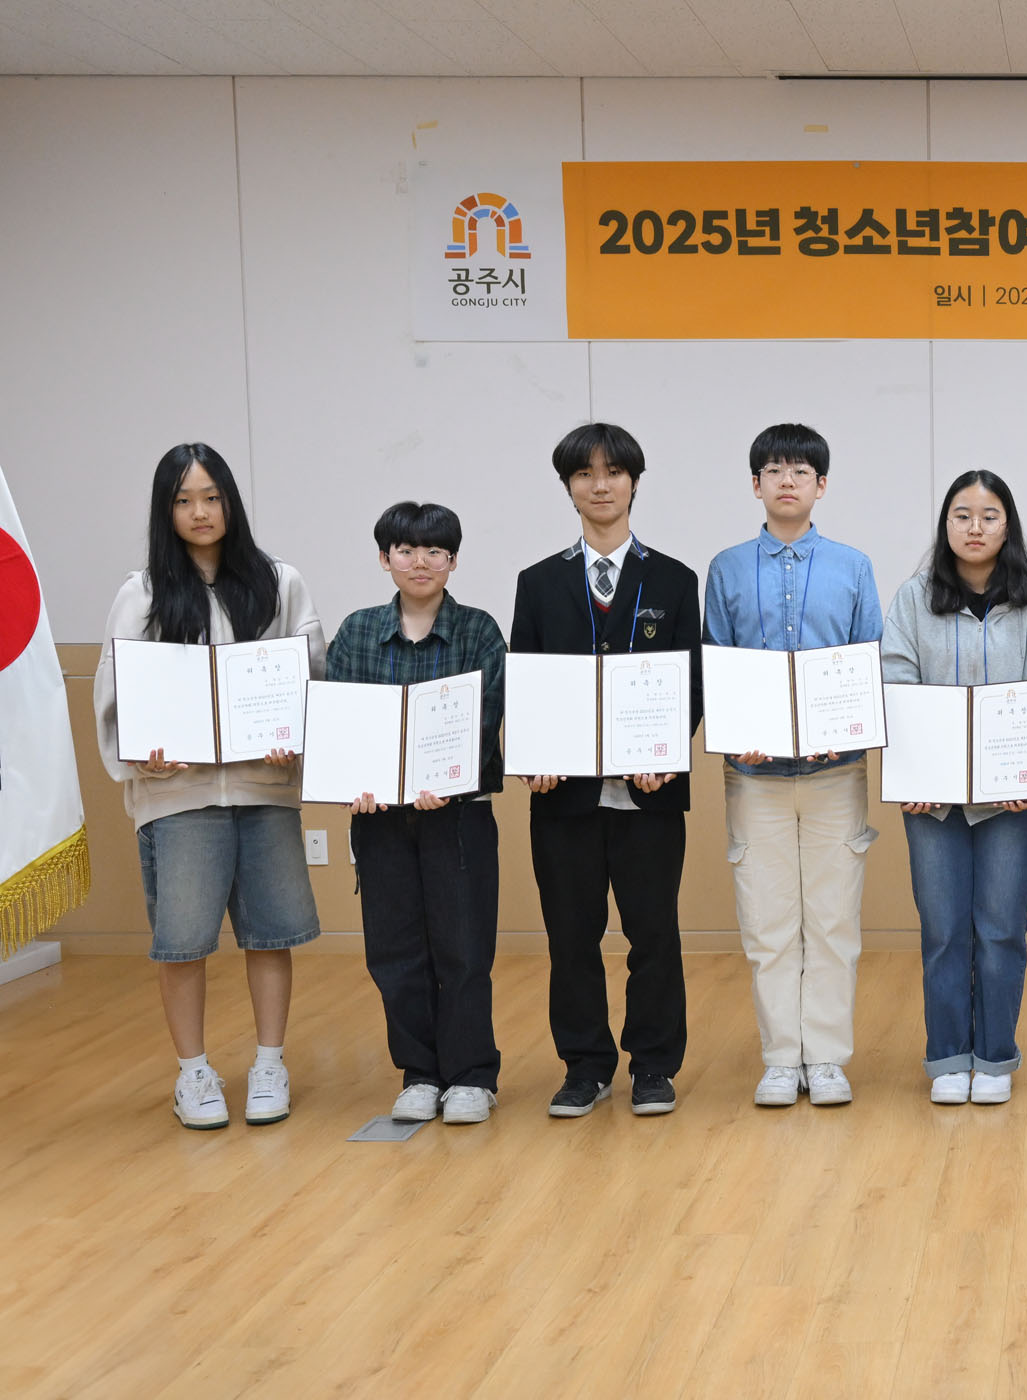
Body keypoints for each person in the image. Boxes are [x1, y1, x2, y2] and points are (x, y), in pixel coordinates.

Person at [92, 443, 324, 1130]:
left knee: (270, 933)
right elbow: (114, 690)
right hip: (179, 796)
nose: (200, 512)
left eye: (212, 497)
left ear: (231, 502)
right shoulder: (141, 593)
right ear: (166, 510)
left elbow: (311, 673)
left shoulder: (280, 582)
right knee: (183, 940)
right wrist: (144, 756)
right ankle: (193, 1072)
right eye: (184, 500)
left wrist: (295, 733)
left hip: (262, 789)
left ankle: (269, 1062)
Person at [511, 423, 703, 1118]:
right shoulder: (538, 583)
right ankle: (585, 1066)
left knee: (654, 936)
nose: (600, 485)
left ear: (634, 483)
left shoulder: (675, 579)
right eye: (585, 474)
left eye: (613, 472)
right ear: (568, 487)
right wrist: (533, 757)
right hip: (563, 800)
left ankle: (653, 1066)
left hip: (650, 797)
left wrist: (664, 755)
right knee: (571, 938)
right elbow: (526, 686)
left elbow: (691, 684)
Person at [703, 423, 884, 1109]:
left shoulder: (854, 566)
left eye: (801, 471)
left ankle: (827, 1057)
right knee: (768, 923)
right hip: (755, 777)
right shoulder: (725, 568)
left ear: (821, 485)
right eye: (774, 470)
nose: (787, 480)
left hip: (836, 773)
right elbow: (717, 661)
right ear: (756, 484)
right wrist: (734, 735)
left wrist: (850, 728)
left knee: (833, 922)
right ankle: (782, 1058)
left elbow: (869, 659)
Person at [881, 470, 1027, 1106]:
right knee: (943, 931)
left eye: (989, 516)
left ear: (1007, 526)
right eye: (962, 515)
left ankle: (993, 1057)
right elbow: (896, 687)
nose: (976, 527)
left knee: (1001, 929)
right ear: (946, 525)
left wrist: (1026, 771)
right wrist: (915, 774)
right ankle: (947, 1058)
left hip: (1010, 800)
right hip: (930, 800)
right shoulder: (913, 599)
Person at [329, 502, 508, 1126]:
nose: (421, 561)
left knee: (463, 949)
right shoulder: (356, 632)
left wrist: (447, 781)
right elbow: (341, 722)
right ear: (385, 559)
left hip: (456, 816)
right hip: (379, 818)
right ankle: (420, 1073)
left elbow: (485, 719)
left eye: (435, 551)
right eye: (406, 550)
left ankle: (471, 1076)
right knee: (394, 951)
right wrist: (354, 780)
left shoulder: (479, 631)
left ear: (453, 560)